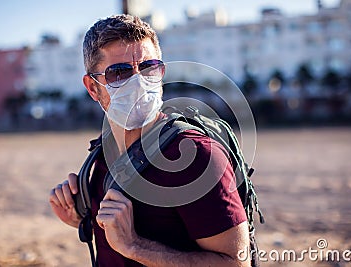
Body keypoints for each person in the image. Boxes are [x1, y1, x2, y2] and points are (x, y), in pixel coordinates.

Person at [49, 14, 256, 267]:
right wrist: (83, 218)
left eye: (149, 68)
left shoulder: (196, 156)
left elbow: (236, 262)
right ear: (93, 88)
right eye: (119, 73)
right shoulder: (103, 157)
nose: (138, 81)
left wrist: (134, 246)